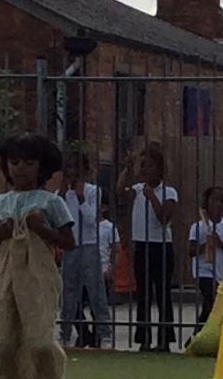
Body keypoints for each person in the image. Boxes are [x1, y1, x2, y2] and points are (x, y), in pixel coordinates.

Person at [0, 133, 76, 379]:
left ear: (41, 166)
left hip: (38, 273)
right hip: (7, 274)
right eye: (14, 162)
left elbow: (68, 241)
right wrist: (2, 232)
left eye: (28, 163)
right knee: (1, 340)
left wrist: (41, 228)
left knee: (39, 340)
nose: (20, 169)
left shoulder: (51, 202)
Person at [120, 144, 178, 352]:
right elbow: (120, 192)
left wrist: (152, 197)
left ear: (159, 170)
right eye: (142, 166)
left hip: (161, 247)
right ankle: (143, 338)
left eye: (149, 166)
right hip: (141, 245)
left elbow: (164, 218)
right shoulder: (137, 189)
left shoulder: (169, 192)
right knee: (143, 293)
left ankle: (164, 339)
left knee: (162, 293)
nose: (144, 170)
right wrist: (128, 168)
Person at [60, 148, 109, 350]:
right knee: (68, 293)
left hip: (88, 244)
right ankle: (64, 334)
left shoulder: (92, 191)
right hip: (70, 246)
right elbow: (57, 218)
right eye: (69, 168)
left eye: (76, 168)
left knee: (96, 291)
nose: (72, 173)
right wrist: (63, 194)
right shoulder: (62, 194)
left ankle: (105, 334)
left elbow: (91, 220)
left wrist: (81, 199)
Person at [189, 185, 223, 328]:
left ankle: (201, 332)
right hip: (203, 271)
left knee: (212, 305)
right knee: (211, 298)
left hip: (221, 272)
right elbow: (191, 251)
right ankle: (200, 331)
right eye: (214, 200)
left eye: (222, 201)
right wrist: (206, 244)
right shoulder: (197, 227)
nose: (218, 204)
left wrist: (220, 243)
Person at [93, 213, 120, 348]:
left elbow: (116, 249)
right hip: (86, 269)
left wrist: (112, 269)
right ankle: (86, 333)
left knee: (98, 306)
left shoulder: (109, 227)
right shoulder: (85, 225)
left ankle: (99, 335)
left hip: (102, 270)